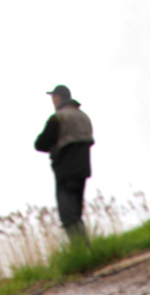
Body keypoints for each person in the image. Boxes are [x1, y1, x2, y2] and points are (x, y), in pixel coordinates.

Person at [35, 85, 94, 241]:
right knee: (76, 213)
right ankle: (85, 251)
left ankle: (81, 251)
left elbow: (40, 144)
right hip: (83, 170)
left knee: (68, 216)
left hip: (65, 171)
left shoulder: (58, 118)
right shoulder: (83, 117)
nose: (53, 101)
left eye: (53, 97)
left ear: (59, 97)